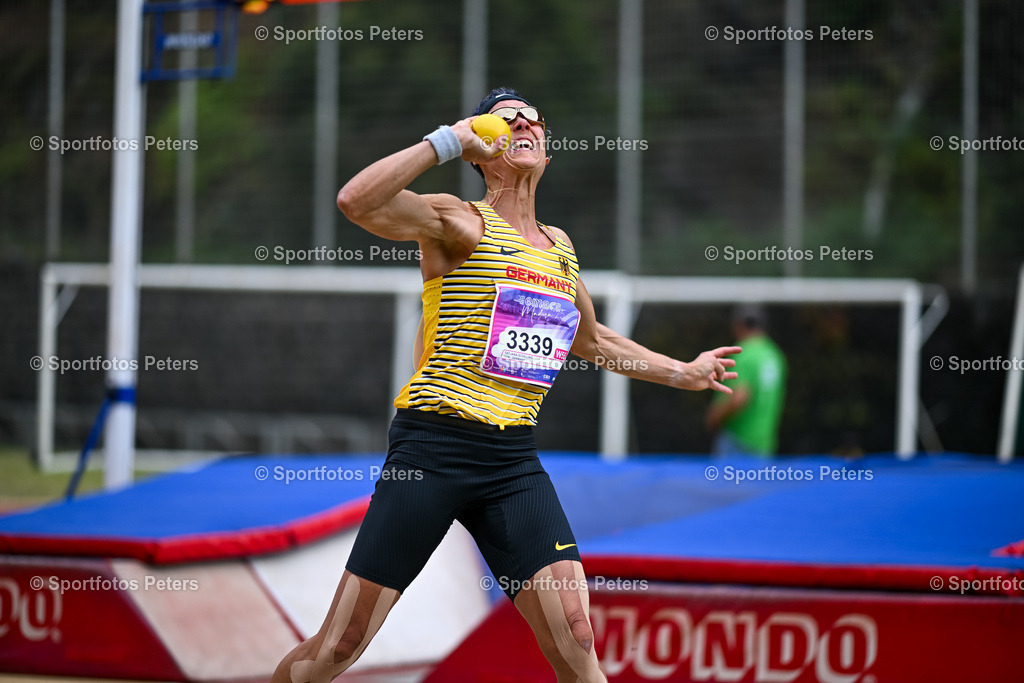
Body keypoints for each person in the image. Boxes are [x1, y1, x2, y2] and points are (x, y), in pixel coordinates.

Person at [271, 87, 740, 683]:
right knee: (341, 646)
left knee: (576, 634)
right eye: (505, 119)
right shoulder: (458, 221)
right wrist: (445, 141)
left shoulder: (560, 248)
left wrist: (686, 371)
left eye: (532, 119)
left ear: (547, 148)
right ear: (482, 149)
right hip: (433, 450)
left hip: (512, 462)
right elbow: (355, 201)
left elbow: (594, 343)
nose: (522, 124)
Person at [706, 303, 787, 458]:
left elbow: (739, 397)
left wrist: (714, 416)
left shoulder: (744, 353)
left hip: (737, 442)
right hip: (764, 442)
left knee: (725, 481)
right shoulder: (775, 355)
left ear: (739, 325)